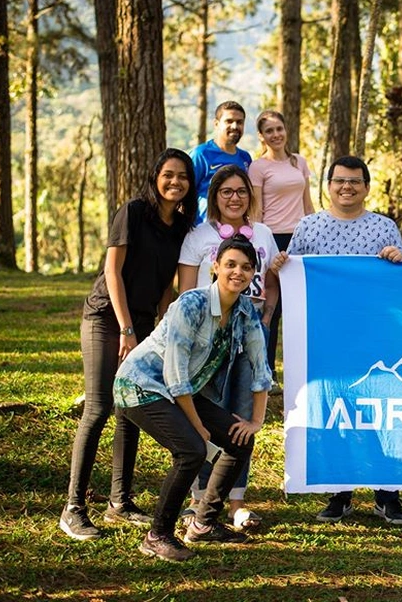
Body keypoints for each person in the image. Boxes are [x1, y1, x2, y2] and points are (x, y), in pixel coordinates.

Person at [60, 148, 197, 541]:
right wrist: (125, 329)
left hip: (143, 323)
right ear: (155, 177)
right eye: (168, 174)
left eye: (183, 177)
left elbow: (168, 287)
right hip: (106, 317)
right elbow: (112, 271)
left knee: (129, 408)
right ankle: (73, 508)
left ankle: (119, 502)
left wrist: (163, 331)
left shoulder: (181, 227)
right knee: (99, 406)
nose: (175, 182)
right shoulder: (133, 212)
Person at [114, 235, 272, 562]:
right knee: (192, 450)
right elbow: (174, 374)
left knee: (239, 439)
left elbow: (261, 368)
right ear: (215, 266)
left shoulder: (246, 312)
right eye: (230, 264)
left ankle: (203, 524)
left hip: (181, 391)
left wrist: (256, 421)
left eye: (246, 267)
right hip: (141, 385)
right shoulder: (191, 304)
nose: (238, 272)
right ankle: (157, 535)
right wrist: (197, 425)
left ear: (252, 274)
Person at [286, 155, 402, 523]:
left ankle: (387, 493)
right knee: (337, 410)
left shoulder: (384, 228)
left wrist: (398, 258)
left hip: (377, 335)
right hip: (326, 338)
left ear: (366, 187)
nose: (347, 187)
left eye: (355, 181)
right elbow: (295, 276)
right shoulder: (308, 227)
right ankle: (340, 492)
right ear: (328, 186)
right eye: (340, 180)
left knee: (380, 412)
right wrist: (281, 268)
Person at [177, 164, 281, 529]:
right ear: (214, 196)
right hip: (208, 337)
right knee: (206, 414)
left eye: (241, 191)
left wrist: (266, 318)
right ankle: (198, 498)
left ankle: (236, 501)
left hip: (250, 334)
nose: (234, 198)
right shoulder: (197, 236)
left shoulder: (263, 233)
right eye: (226, 192)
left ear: (249, 196)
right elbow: (186, 290)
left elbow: (271, 281)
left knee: (241, 416)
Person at [248, 109, 314, 375]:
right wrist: (256, 244)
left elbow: (307, 204)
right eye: (269, 131)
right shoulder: (258, 167)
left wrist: (314, 232)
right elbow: (256, 210)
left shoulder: (299, 162)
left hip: (299, 241)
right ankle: (266, 371)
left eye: (279, 129)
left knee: (299, 306)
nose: (275, 134)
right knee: (271, 308)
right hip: (271, 238)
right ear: (261, 136)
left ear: (286, 130)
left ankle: (300, 370)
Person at [191, 101, 251, 224]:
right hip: (204, 228)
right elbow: (185, 193)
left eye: (239, 122)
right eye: (229, 121)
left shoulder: (245, 158)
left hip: (236, 228)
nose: (235, 126)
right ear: (216, 124)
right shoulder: (201, 154)